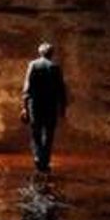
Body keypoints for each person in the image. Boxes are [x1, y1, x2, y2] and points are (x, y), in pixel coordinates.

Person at [20, 42, 67, 172]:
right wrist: (62, 107)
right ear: (51, 53)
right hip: (50, 105)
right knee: (49, 133)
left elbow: (27, 87)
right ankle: (45, 159)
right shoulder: (55, 67)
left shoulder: (33, 65)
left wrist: (24, 107)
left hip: (35, 105)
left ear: (40, 52)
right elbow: (61, 89)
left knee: (36, 132)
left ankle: (38, 157)